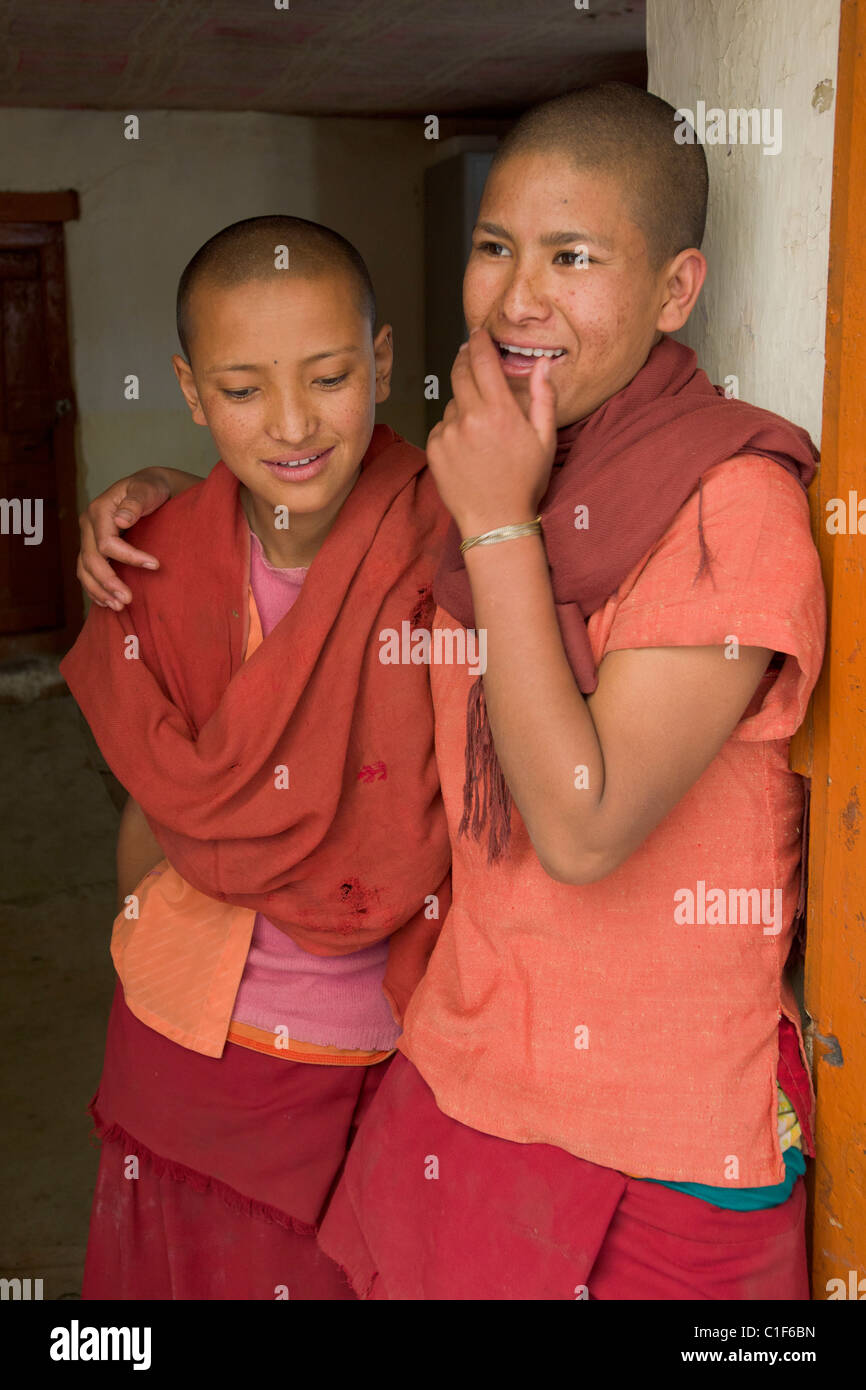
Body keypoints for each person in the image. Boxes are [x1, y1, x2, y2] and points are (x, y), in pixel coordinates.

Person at [78, 83, 825, 1301]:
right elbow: (319, 508)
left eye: (571, 257)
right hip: (456, 1093)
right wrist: (181, 497)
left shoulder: (723, 500)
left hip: (660, 1137)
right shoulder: (488, 463)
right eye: (494, 249)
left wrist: (495, 528)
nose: (517, 296)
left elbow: (580, 824)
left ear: (674, 290)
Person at [61, 214, 451, 1300]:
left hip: (389, 1051)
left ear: (378, 362)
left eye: (327, 376)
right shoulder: (159, 559)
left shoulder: (452, 538)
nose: (290, 423)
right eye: (241, 391)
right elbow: (152, 815)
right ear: (190, 392)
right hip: (187, 1046)